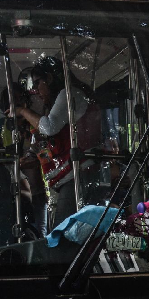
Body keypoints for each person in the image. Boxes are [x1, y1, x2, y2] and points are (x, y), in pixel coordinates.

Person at [13, 57, 97, 228]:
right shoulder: (60, 101)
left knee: (63, 233)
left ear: (49, 79)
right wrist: (33, 158)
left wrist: (22, 111)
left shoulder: (69, 93)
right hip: (67, 178)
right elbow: (49, 141)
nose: (36, 90)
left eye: (38, 83)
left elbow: (49, 127)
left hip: (77, 175)